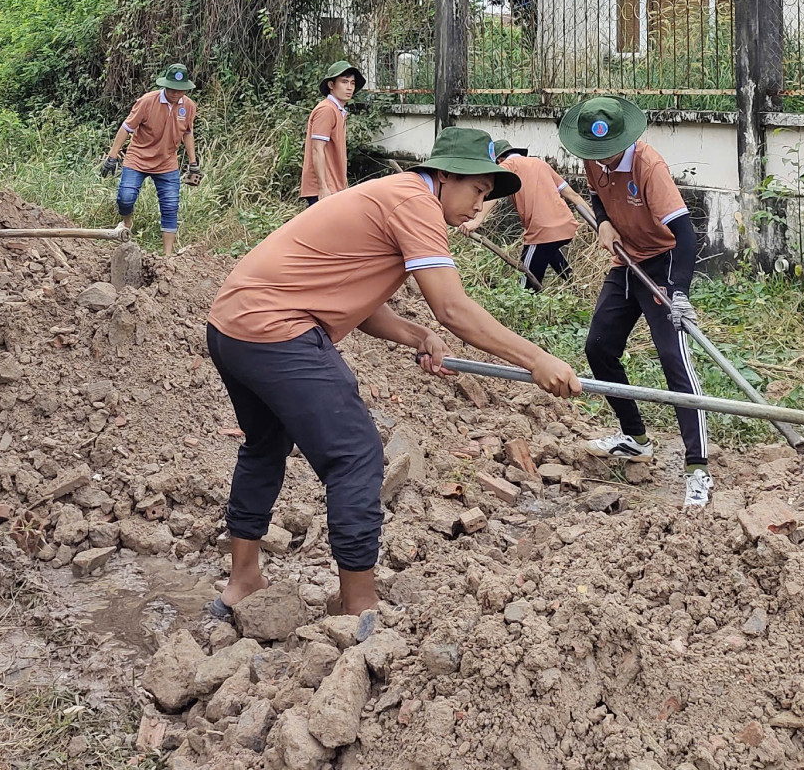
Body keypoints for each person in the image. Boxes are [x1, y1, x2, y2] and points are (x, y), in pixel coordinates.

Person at [206, 126, 581, 618]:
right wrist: (537, 359)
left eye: (488, 196)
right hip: (278, 330)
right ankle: (359, 608)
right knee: (357, 456)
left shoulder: (395, 198)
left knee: (264, 444)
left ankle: (243, 582)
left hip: (232, 325)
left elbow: (352, 299)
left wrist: (415, 334)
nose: (478, 206)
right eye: (476, 190)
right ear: (444, 174)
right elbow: (453, 308)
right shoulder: (416, 203)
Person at [557, 96, 711, 510]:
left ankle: (698, 467)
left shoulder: (649, 167)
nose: (599, 161)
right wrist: (604, 223)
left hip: (660, 264)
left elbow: (685, 234)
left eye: (606, 153)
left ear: (622, 140)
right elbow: (598, 197)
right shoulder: (594, 158)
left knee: (673, 360)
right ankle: (635, 438)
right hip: (625, 262)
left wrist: (678, 291)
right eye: (593, 153)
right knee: (599, 347)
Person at [459, 140, 592, 288]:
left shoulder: (506, 167)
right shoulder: (540, 164)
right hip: (566, 226)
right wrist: (595, 220)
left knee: (526, 281)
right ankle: (575, 286)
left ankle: (527, 306)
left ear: (498, 160)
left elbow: (494, 196)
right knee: (549, 250)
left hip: (541, 232)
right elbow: (573, 195)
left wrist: (476, 222)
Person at [100, 63, 200, 257]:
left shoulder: (188, 106)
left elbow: (188, 133)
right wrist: (112, 156)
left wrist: (193, 163)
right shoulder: (147, 101)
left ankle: (167, 257)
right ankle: (127, 222)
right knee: (125, 198)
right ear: (165, 85)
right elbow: (126, 127)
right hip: (138, 158)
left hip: (167, 161)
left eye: (180, 91)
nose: (175, 94)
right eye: (171, 89)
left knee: (171, 206)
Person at [300, 59, 363, 206]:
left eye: (352, 83)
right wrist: (323, 187)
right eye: (344, 82)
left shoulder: (337, 111)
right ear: (331, 85)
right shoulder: (327, 110)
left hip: (333, 187)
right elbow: (317, 150)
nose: (349, 87)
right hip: (323, 189)